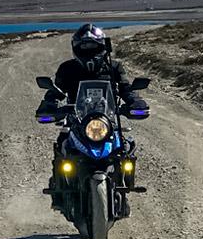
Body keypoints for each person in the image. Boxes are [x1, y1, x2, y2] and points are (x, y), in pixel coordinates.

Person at [37, 23, 147, 210]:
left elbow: (126, 89)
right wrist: (49, 105)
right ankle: (59, 191)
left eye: (93, 47)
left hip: (107, 120)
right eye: (84, 48)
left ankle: (124, 188)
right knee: (63, 146)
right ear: (76, 48)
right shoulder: (67, 69)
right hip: (77, 120)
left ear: (102, 47)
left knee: (126, 148)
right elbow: (56, 91)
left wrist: (135, 103)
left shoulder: (113, 67)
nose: (89, 52)